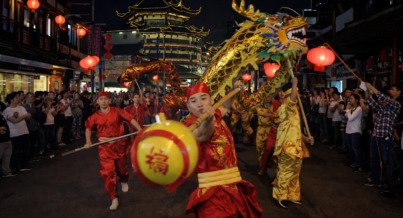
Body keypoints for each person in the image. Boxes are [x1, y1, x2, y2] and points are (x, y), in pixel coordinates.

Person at [182, 81, 262, 217]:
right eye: (193, 101)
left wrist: (234, 90)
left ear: (211, 99)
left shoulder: (216, 114)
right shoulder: (189, 125)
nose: (200, 104)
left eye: (203, 98)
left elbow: (226, 105)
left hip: (233, 184)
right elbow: (203, 134)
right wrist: (208, 120)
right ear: (188, 106)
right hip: (212, 192)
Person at [84, 92, 142, 210]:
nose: (104, 101)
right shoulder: (94, 116)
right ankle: (113, 198)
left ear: (109, 101)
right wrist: (88, 141)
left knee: (122, 169)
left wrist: (140, 129)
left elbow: (130, 119)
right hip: (104, 148)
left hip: (119, 145)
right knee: (108, 173)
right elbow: (88, 128)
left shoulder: (117, 111)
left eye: (106, 99)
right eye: (101, 99)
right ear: (98, 102)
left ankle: (124, 180)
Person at [272, 77, 314, 208]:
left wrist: (306, 138)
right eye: (295, 93)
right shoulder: (285, 107)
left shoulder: (294, 109)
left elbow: (295, 129)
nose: (298, 96)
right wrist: (295, 83)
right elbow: (292, 100)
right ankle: (281, 196)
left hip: (297, 147)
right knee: (285, 171)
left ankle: (292, 195)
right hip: (287, 146)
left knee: (295, 173)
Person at [362, 82, 401, 196]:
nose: (389, 94)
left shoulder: (396, 105)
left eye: (392, 90)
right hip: (376, 137)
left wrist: (371, 86)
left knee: (387, 163)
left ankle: (388, 186)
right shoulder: (381, 107)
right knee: (374, 160)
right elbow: (370, 100)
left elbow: (382, 97)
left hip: (385, 138)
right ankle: (376, 181)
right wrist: (365, 89)